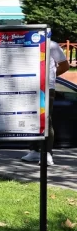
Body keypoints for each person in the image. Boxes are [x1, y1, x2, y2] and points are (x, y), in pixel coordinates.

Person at [22, 38, 70, 166]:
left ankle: (47, 153)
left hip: (47, 88)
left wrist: (51, 76)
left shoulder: (52, 45)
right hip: (29, 86)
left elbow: (65, 66)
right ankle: (33, 150)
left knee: (46, 120)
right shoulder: (26, 43)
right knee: (31, 119)